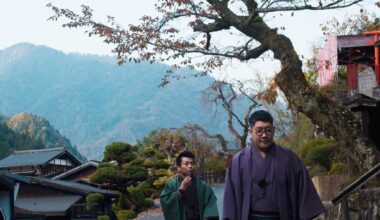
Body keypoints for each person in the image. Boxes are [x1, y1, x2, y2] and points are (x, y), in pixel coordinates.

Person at [223, 110, 326, 220]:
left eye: (268, 130)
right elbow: (231, 197)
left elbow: (304, 191)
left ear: (273, 130)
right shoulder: (238, 161)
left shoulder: (289, 158)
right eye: (259, 131)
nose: (264, 135)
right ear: (250, 131)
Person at [160, 150, 219, 220]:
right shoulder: (171, 185)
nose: (190, 166)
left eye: (192, 163)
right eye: (186, 163)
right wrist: (180, 191)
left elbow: (211, 206)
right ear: (179, 167)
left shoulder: (204, 187)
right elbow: (165, 203)